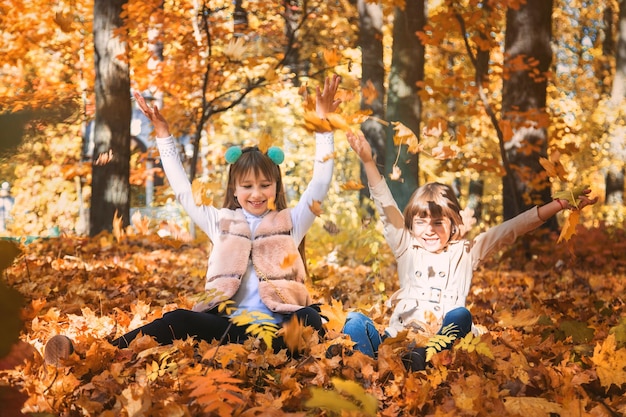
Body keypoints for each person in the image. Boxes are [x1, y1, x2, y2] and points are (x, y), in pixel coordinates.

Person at [44, 74, 342, 365]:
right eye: (247, 186)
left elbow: (320, 182)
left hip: (278, 331)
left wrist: (324, 128)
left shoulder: (291, 223)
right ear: (234, 190)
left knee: (311, 318)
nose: (257, 194)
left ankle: (277, 355)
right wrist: (164, 136)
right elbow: (184, 191)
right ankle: (93, 354)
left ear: (276, 186)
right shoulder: (221, 222)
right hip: (228, 330)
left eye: (265, 185)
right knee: (177, 319)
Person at [341, 129, 598, 371]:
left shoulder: (465, 252)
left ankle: (424, 360)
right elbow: (385, 205)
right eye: (421, 222)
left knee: (461, 315)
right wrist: (368, 162)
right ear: (411, 224)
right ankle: (366, 373)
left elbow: (512, 228)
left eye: (438, 222)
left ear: (453, 223)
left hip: (436, 343)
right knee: (354, 321)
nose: (429, 230)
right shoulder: (406, 247)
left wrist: (559, 204)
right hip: (396, 341)